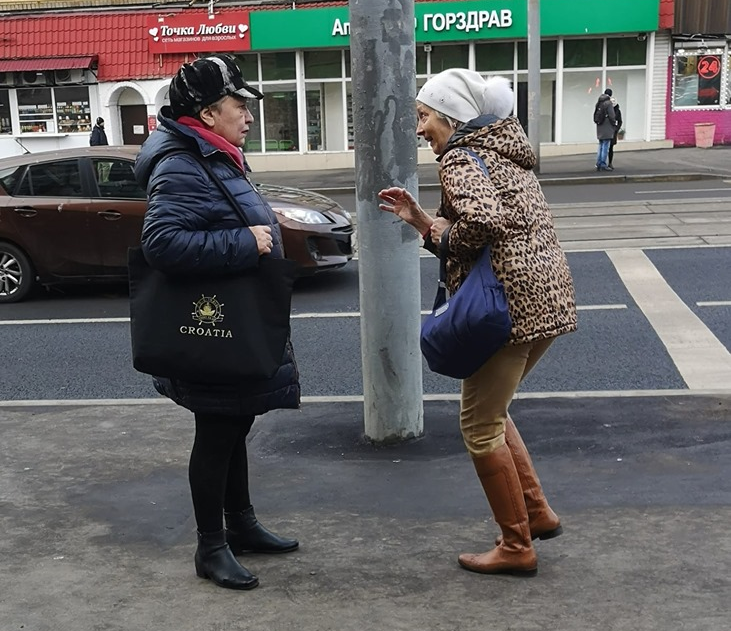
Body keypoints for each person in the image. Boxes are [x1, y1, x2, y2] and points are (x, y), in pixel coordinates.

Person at [378, 69, 577, 577]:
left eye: (424, 117)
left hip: (505, 308)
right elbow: (492, 222)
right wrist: (425, 222)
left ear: (451, 115)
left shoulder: (461, 157)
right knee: (493, 407)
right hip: (544, 303)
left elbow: (483, 222)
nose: (420, 129)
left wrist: (442, 238)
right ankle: (535, 513)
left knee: (478, 423)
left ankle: (517, 546)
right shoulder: (504, 154)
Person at [133, 54, 300, 591]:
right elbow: (160, 243)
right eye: (238, 105)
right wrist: (244, 240)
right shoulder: (183, 163)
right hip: (214, 330)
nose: (248, 114)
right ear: (207, 114)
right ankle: (211, 547)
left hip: (231, 322)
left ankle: (242, 526)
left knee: (236, 424)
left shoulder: (214, 154)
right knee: (218, 430)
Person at [593, 89, 616, 171]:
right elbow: (612, 116)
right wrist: (614, 123)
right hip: (607, 126)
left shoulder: (599, 102)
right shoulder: (608, 103)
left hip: (600, 126)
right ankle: (603, 163)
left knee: (600, 145)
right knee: (606, 145)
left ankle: (598, 163)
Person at [605, 89, 623, 169]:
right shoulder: (606, 109)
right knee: (605, 147)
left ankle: (610, 162)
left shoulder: (617, 111)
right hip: (607, 129)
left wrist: (616, 129)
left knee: (610, 148)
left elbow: (620, 121)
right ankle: (604, 162)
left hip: (613, 131)